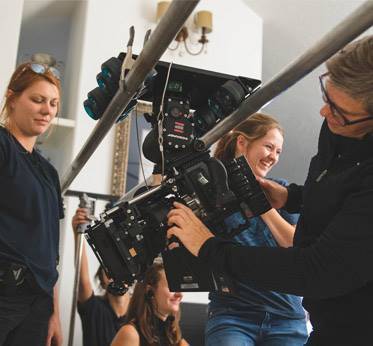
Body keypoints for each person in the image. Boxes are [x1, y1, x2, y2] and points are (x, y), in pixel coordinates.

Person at [167, 35, 373, 345]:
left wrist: (212, 246)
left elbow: (313, 266)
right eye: (326, 97)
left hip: (343, 324)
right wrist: (293, 198)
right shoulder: (336, 124)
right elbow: (334, 189)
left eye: (339, 112)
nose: (323, 113)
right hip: (237, 313)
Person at [204, 113, 307, 345]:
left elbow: (294, 243)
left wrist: (260, 203)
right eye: (269, 147)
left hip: (286, 319)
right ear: (242, 142)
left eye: (278, 151)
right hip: (232, 316)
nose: (273, 157)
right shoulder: (212, 195)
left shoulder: (280, 192)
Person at [0, 62, 64, 345]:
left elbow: (51, 250)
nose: (47, 110)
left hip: (39, 303)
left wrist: (54, 311)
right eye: (37, 100)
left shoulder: (48, 172)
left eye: (53, 103)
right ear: (12, 99)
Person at [72, 207, 131, 346]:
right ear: (102, 280)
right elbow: (83, 281)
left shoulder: (140, 312)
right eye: (109, 272)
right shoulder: (94, 309)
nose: (115, 276)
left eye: (119, 269)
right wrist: (78, 234)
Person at [111, 261, 188, 346]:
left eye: (179, 287)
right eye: (172, 287)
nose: (180, 295)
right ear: (150, 291)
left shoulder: (173, 336)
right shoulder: (130, 333)